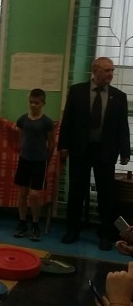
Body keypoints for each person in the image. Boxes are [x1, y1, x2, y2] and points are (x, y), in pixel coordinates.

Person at [58, 57, 130, 251]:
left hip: (105, 151)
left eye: (112, 70)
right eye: (107, 70)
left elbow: (122, 126)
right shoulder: (77, 91)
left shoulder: (119, 97)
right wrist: (63, 146)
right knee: (76, 191)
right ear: (95, 71)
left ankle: (105, 234)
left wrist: (125, 151)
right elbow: (68, 120)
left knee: (105, 194)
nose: (111, 74)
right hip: (80, 149)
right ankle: (73, 230)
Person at [13, 88, 54, 242]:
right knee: (22, 193)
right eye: (31, 102)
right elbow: (20, 137)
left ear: (43, 103)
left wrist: (46, 159)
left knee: (35, 195)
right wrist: (23, 151)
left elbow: (51, 143)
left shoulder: (47, 122)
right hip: (25, 160)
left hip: (40, 162)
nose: (33, 105)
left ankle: (35, 224)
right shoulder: (23, 119)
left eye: (37, 103)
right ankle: (22, 222)